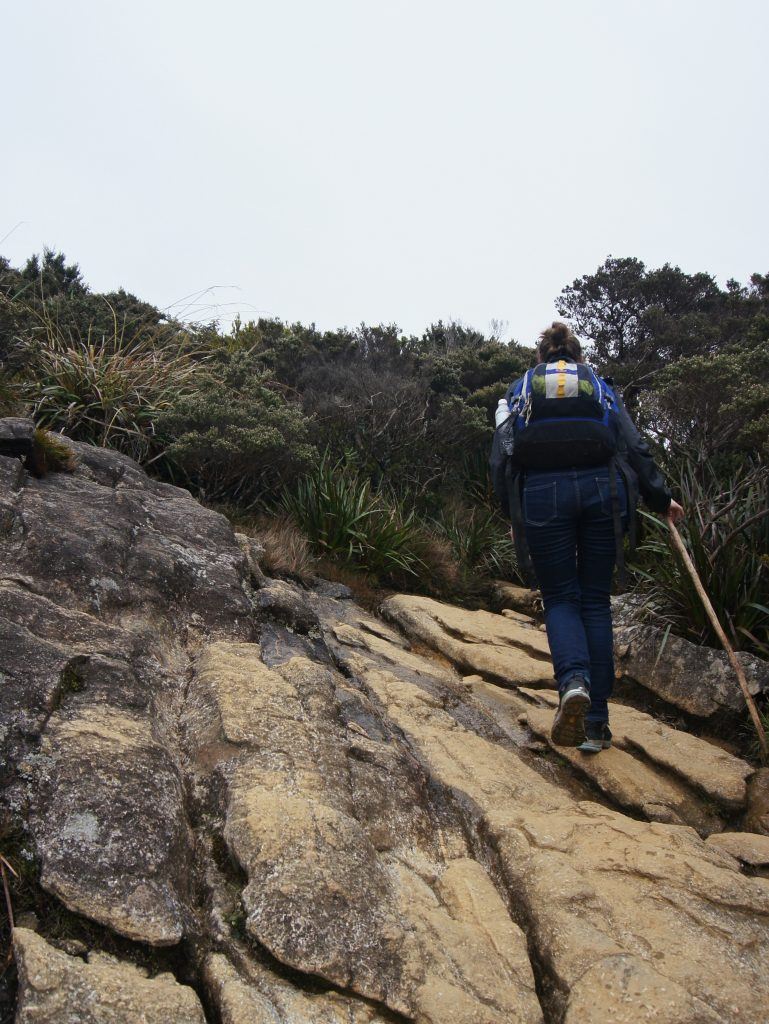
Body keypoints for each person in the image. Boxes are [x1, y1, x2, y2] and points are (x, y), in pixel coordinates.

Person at [491, 322, 684, 753]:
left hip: (542, 494)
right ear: (576, 357)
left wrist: (514, 512)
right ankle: (596, 724)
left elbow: (501, 454)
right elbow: (633, 445)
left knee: (561, 598)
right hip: (604, 489)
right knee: (595, 600)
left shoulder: (520, 390)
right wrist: (661, 499)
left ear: (540, 358)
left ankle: (573, 683)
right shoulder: (598, 384)